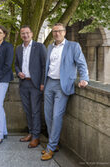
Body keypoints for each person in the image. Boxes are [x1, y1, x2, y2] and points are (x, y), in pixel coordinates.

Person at [41, 23, 89, 161]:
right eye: (54, 31)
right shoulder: (50, 47)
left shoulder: (73, 46)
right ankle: (53, 144)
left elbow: (81, 63)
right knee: (48, 115)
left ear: (64, 32)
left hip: (63, 85)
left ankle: (51, 147)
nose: (56, 33)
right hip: (49, 83)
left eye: (59, 31)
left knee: (56, 116)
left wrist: (84, 78)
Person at [15, 25, 46, 148]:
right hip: (23, 83)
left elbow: (44, 66)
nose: (25, 35)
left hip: (35, 84)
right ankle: (31, 132)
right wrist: (18, 72)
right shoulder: (18, 48)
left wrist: (42, 83)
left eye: (27, 33)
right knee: (27, 110)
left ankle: (36, 137)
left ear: (32, 34)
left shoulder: (39, 47)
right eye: (23, 33)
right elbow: (16, 64)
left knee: (35, 111)